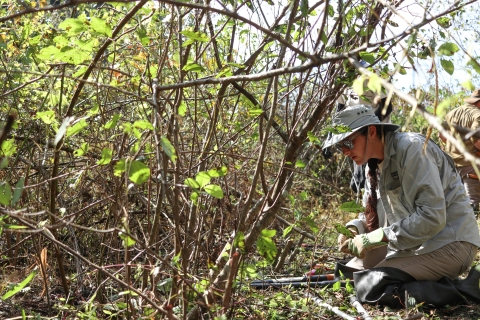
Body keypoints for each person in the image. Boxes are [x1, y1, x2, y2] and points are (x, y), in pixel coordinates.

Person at [323, 105, 480, 282]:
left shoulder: (411, 149)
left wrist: (377, 237)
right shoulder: (371, 166)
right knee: (345, 276)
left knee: (371, 282)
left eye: (348, 143)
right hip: (413, 242)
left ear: (372, 132)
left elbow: (432, 216)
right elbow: (373, 216)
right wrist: (354, 228)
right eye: (339, 146)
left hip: (451, 243)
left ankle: (461, 289)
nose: (344, 151)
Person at [440, 89, 480, 210]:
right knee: (473, 203)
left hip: (451, 165)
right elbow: (475, 137)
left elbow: (441, 135)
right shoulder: (477, 114)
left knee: (457, 202)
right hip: (470, 165)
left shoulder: (452, 113)